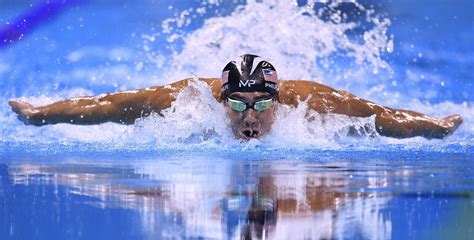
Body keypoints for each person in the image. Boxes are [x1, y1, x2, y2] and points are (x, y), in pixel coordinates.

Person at [8, 54, 463, 140]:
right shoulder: (188, 98)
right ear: (220, 99)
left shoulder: (311, 102)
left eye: (261, 105)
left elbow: (381, 116)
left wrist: (433, 127)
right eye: (239, 104)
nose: (250, 117)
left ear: (277, 100)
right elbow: (109, 106)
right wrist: (42, 115)